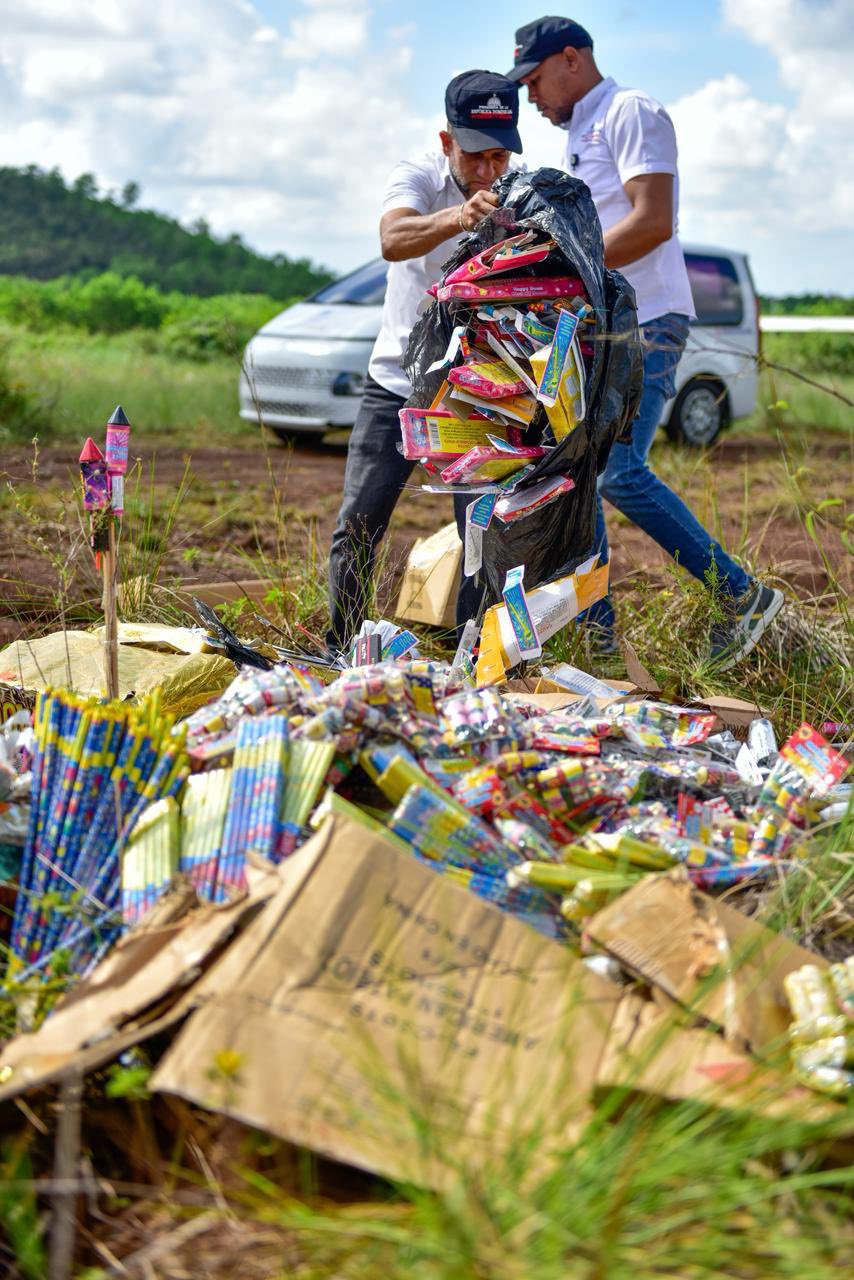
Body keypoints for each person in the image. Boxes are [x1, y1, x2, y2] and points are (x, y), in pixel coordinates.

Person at [507, 17, 783, 670]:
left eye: (535, 80)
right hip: (605, 327)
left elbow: (653, 221)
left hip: (649, 322)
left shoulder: (630, 112)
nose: (531, 99)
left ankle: (740, 595)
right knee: (579, 474)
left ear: (570, 60)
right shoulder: (578, 131)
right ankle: (597, 633)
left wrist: (566, 266)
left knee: (618, 471)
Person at [327, 71, 523, 650]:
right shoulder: (413, 177)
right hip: (396, 384)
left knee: (482, 532)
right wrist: (461, 219)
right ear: (446, 144)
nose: (488, 172)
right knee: (359, 524)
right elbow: (393, 238)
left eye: (499, 157)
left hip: (473, 390)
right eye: (474, 156)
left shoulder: (519, 192)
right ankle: (340, 650)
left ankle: (470, 658)